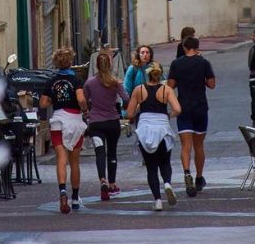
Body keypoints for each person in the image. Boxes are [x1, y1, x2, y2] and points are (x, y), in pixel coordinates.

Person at [126, 62, 181, 211]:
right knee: (165, 162)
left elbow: (129, 114)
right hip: (162, 127)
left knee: (151, 167)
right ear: (160, 74)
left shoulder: (139, 90)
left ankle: (157, 200)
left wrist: (138, 108)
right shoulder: (166, 90)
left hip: (144, 128)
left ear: (147, 74)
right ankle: (168, 183)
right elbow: (177, 109)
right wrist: (169, 115)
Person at [39, 47, 88, 214]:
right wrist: (85, 108)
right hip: (74, 121)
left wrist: (55, 99)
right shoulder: (76, 81)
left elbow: (43, 104)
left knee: (61, 158)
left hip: (58, 121)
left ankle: (62, 190)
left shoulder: (51, 81)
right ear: (70, 62)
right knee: (74, 162)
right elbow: (81, 99)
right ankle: (75, 198)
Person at [166, 36, 216, 197]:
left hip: (183, 108)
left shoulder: (176, 63)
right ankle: (199, 177)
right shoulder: (204, 63)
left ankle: (186, 172)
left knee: (185, 145)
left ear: (184, 47)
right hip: (200, 107)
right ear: (197, 46)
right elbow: (212, 84)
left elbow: (170, 85)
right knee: (199, 145)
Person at [84, 51, 129, 200]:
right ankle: (112, 184)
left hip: (96, 123)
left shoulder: (90, 83)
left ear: (96, 65)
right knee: (112, 152)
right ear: (110, 65)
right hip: (112, 123)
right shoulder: (116, 83)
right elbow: (126, 99)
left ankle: (102, 179)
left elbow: (84, 101)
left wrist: (86, 112)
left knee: (100, 152)